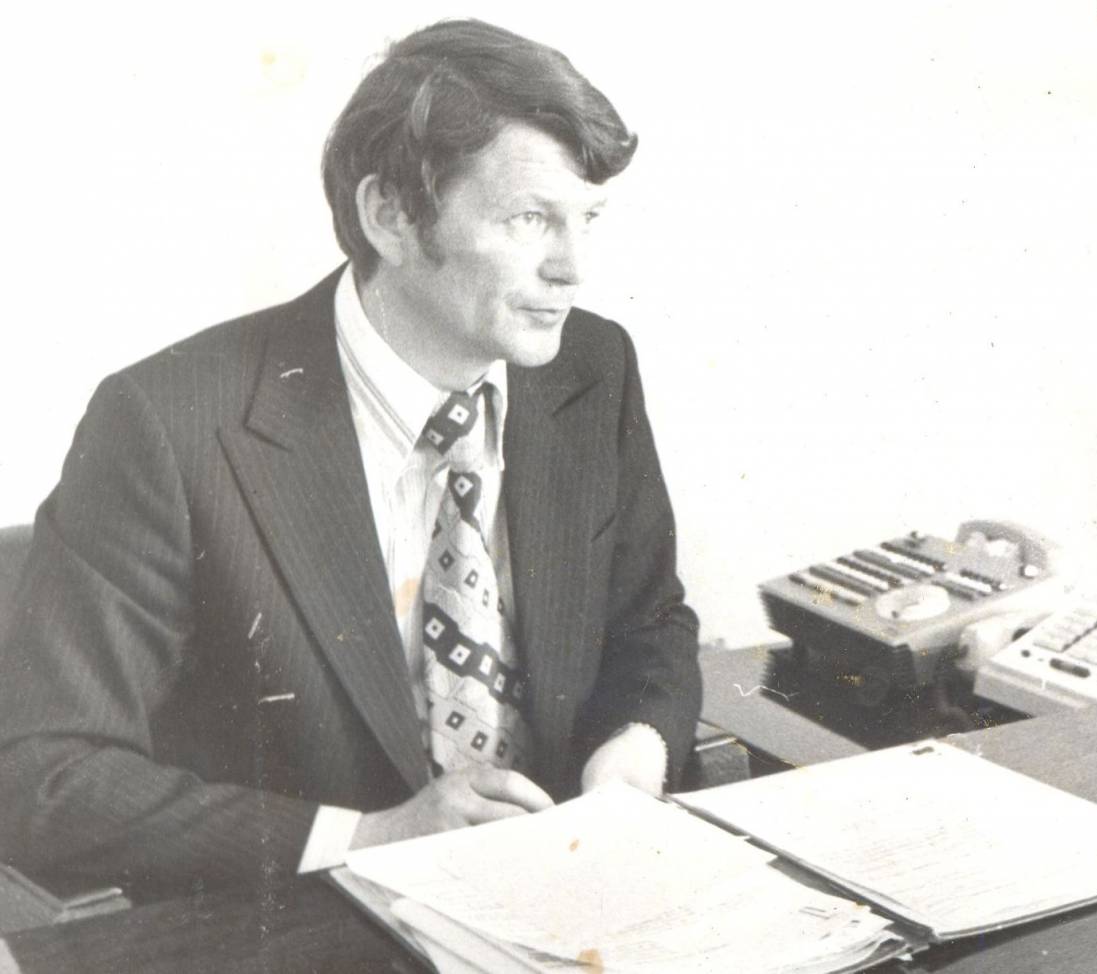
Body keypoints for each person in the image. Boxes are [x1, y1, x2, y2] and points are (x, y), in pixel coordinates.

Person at [0, 19, 702, 901]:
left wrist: (632, 756)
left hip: (566, 907)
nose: (575, 268)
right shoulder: (168, 423)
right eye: (531, 219)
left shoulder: (592, 370)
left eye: (588, 219)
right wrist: (367, 839)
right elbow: (44, 777)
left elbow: (649, 622)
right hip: (306, 924)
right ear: (391, 216)